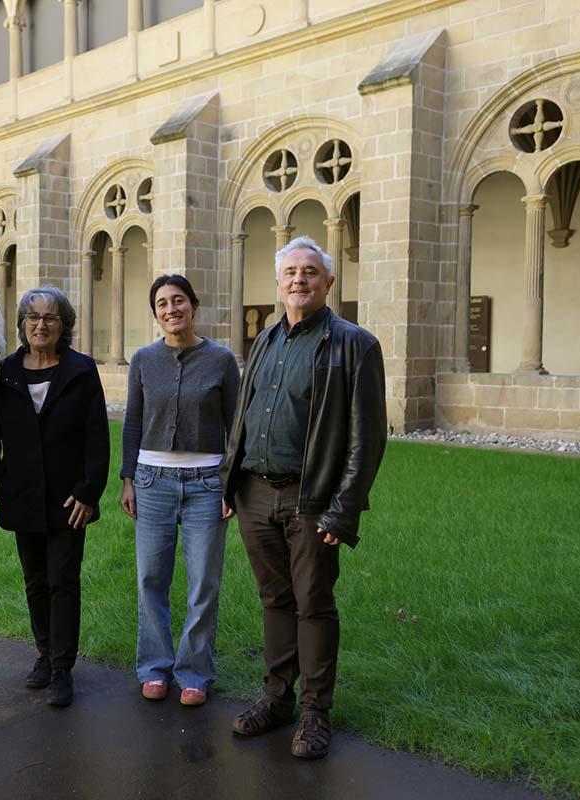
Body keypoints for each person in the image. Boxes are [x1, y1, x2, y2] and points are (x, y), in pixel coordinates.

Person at [219, 235, 386, 759]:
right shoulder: (265, 340)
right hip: (254, 494)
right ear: (278, 282)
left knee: (313, 603)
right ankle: (276, 698)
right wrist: (230, 484)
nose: (299, 279)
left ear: (328, 282)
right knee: (275, 599)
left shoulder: (354, 345)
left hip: (311, 500)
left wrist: (344, 509)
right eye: (291, 272)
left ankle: (315, 712)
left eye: (310, 271)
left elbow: (367, 438)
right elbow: (244, 418)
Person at [0, 286, 109, 708]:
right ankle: (45, 656)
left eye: (51, 317)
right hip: (24, 497)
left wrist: (88, 492)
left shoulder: (81, 371)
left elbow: (98, 438)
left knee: (62, 580)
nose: (40, 324)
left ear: (64, 324)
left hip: (70, 502)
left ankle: (63, 668)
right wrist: (0, 482)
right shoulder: (5, 372)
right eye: (32, 317)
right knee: (35, 580)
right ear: (22, 324)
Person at [119, 274, 240, 706]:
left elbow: (236, 428)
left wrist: (231, 485)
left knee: (204, 582)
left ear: (193, 305)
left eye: (178, 300)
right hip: (152, 482)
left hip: (207, 483)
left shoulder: (222, 360)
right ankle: (155, 668)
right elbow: (132, 422)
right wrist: (128, 479)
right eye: (162, 304)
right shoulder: (143, 360)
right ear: (156, 314)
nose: (171, 309)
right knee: (151, 579)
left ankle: (194, 672)